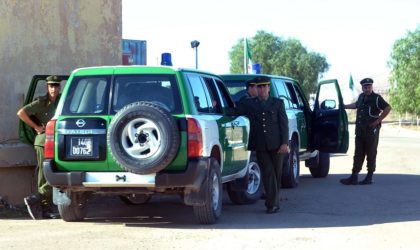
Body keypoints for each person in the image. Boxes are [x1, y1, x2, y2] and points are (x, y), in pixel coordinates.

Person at [230, 76, 289, 213]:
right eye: (259, 87)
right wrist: (215, 107)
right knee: (268, 173)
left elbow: (283, 125)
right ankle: (272, 204)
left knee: (277, 174)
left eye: (264, 86)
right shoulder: (250, 103)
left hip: (277, 145)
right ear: (256, 88)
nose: (262, 89)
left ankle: (273, 201)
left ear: (269, 88)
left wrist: (285, 143)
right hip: (261, 145)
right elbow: (234, 111)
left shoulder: (278, 103)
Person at [17, 75, 62, 219]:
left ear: (59, 87)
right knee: (44, 173)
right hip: (44, 142)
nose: (54, 89)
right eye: (51, 86)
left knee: (55, 171)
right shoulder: (41, 102)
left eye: (56, 86)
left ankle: (45, 204)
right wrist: (36, 127)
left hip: (58, 141)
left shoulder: (63, 100)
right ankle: (40, 203)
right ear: (47, 87)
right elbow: (21, 113)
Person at [340, 77, 391, 185]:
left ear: (372, 87)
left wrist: (378, 121)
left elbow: (387, 108)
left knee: (371, 153)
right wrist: (344, 106)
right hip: (360, 131)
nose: (367, 89)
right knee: (358, 153)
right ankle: (354, 176)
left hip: (371, 131)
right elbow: (356, 105)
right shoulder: (361, 97)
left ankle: (369, 177)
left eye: (369, 87)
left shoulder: (376, 98)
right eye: (365, 87)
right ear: (362, 88)